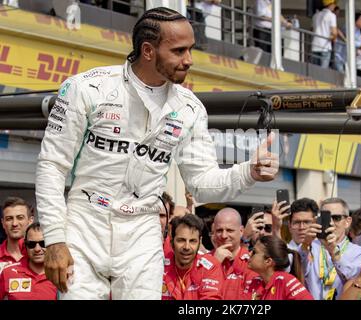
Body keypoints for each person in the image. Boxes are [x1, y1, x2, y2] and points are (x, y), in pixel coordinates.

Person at [35, 7, 279, 300]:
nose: (188, 60)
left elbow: (200, 181)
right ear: (148, 50)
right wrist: (55, 239)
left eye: (190, 49)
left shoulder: (189, 108)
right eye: (178, 51)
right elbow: (51, 165)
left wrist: (248, 172)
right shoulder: (85, 88)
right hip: (84, 224)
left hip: (142, 231)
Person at [299, 197, 361, 300]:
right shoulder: (310, 246)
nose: (331, 223)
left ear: (347, 222)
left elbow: (355, 279)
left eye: (336, 218)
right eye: (326, 218)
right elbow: (296, 273)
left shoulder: (359, 252)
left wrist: (333, 252)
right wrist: (305, 245)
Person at [162, 214, 223, 300]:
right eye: (181, 240)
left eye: (192, 241)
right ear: (172, 242)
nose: (187, 247)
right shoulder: (159, 265)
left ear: (200, 242)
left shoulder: (210, 266)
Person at [245, 235, 313, 300]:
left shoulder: (285, 280)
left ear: (268, 261)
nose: (249, 253)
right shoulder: (255, 282)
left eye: (254, 252)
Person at [210, 208, 259, 299]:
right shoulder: (202, 261)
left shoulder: (253, 263)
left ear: (241, 231)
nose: (224, 236)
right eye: (219, 230)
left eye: (229, 230)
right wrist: (214, 264)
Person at [0, 223, 57, 300]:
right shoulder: (8, 272)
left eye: (43, 243)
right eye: (31, 244)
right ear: (25, 245)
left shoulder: (61, 274)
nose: (37, 249)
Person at [0, 197, 33, 273]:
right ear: (3, 223)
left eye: (20, 218)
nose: (14, 223)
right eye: (9, 219)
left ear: (30, 220)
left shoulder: (39, 254)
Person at [310, 0, 337, 68]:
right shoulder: (332, 15)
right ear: (330, 4)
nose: (335, 5)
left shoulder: (315, 16)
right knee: (323, 72)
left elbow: (311, 29)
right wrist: (333, 38)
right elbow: (334, 32)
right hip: (325, 47)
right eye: (334, 3)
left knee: (315, 71)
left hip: (315, 45)